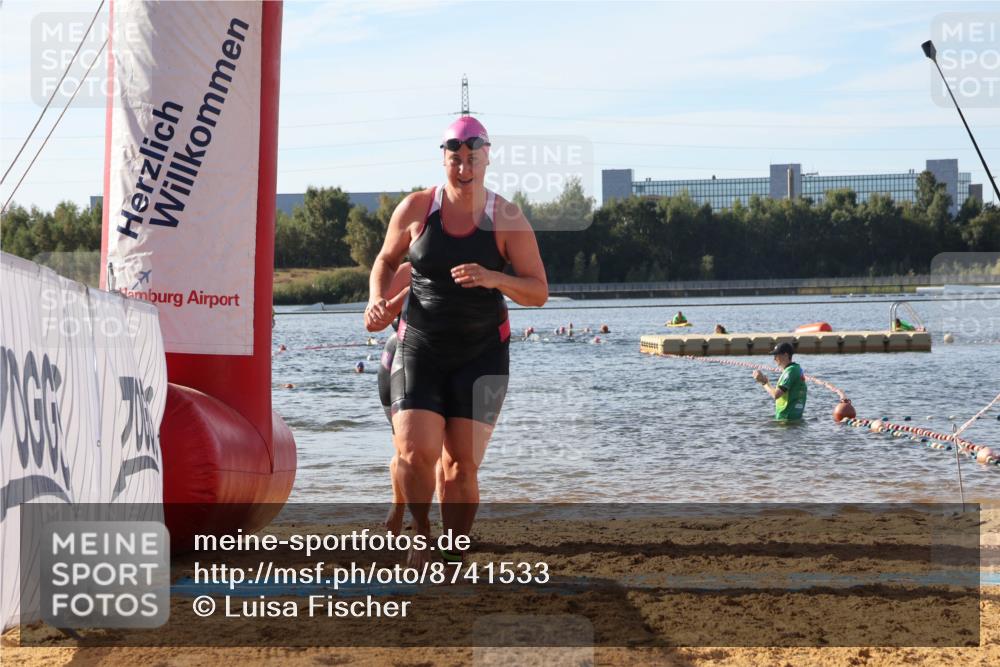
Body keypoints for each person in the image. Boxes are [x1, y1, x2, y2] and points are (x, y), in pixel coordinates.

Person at [365, 116, 548, 565]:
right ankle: (422, 534)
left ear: (486, 157)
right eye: (455, 157)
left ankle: (455, 551)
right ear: (443, 158)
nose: (463, 166)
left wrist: (492, 277)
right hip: (420, 346)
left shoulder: (505, 218)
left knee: (460, 467)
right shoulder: (415, 209)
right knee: (413, 452)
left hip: (481, 354)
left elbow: (538, 291)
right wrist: (375, 298)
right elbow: (385, 261)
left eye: (472, 156)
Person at [752, 342, 807, 421]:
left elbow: (776, 395)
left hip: (787, 419)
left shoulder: (790, 371)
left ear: (785, 355)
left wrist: (764, 382)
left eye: (776, 355)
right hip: (793, 418)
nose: (774, 359)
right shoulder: (796, 368)